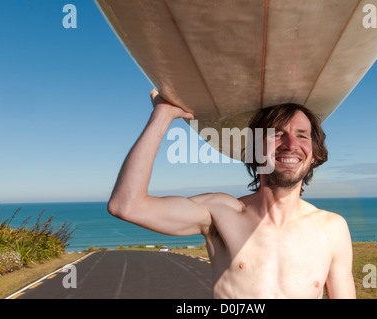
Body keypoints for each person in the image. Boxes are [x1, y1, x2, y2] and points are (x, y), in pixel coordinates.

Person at [107, 89, 356, 299]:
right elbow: (126, 205)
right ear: (256, 150)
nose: (290, 144)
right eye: (277, 134)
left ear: (315, 155)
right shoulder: (220, 213)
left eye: (301, 135)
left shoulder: (332, 229)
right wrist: (162, 115)